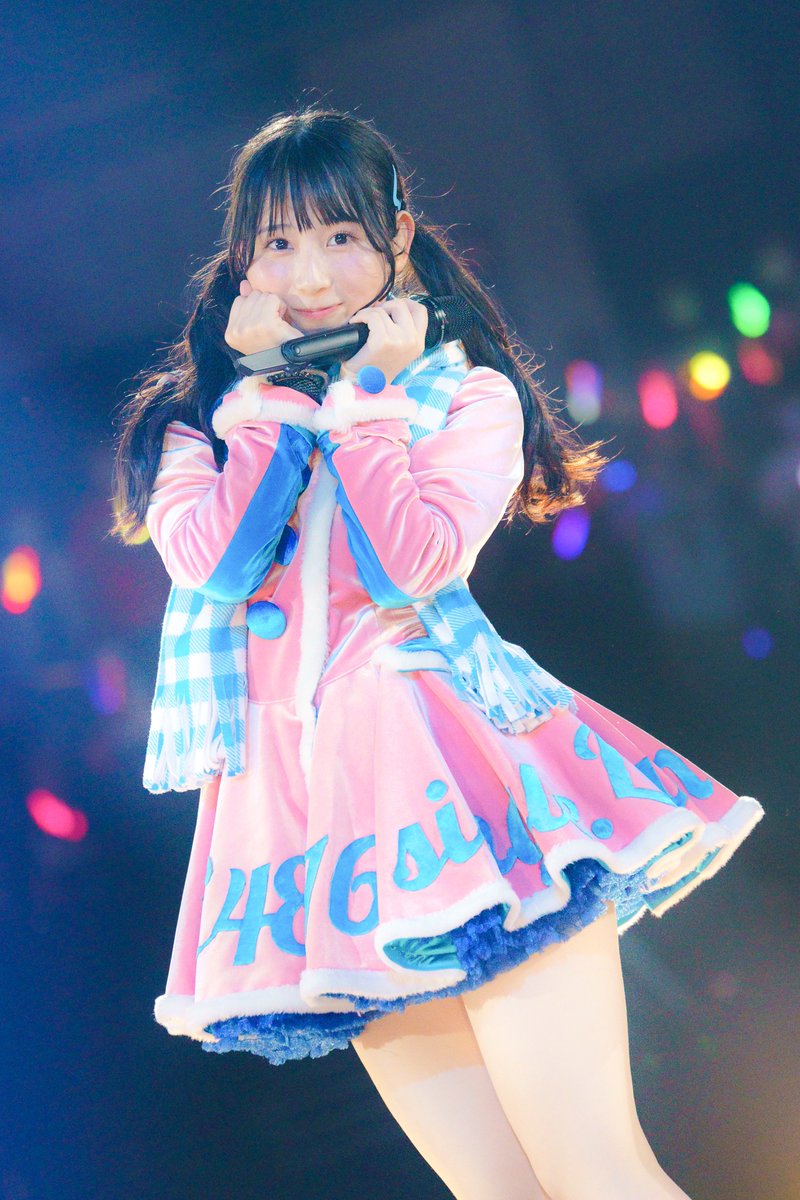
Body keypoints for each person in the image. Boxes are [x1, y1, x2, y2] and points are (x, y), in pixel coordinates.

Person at [112, 109, 764, 1200]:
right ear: (242, 264)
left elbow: (410, 563)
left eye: (341, 236)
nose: (312, 272)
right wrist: (268, 401)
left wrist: (365, 404)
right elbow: (217, 563)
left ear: (399, 237)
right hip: (316, 834)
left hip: (460, 783)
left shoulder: (463, 394)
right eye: (280, 243)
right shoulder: (200, 430)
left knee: (594, 1170)